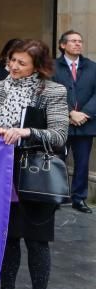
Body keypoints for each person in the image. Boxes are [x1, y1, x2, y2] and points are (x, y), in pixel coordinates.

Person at [0, 39, 69, 289]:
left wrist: (26, 132)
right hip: (1, 173)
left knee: (36, 242)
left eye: (21, 62)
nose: (13, 66)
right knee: (7, 240)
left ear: (37, 65)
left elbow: (59, 135)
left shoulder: (53, 92)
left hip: (35, 174)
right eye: (11, 60)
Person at [52, 30, 96, 213]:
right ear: (63, 45)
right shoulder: (53, 66)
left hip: (86, 123)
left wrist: (84, 113)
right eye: (73, 41)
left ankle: (79, 198)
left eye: (80, 41)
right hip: (61, 122)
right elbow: (51, 92)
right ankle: (57, 197)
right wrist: (70, 112)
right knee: (58, 160)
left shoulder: (92, 67)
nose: (78, 44)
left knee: (83, 163)